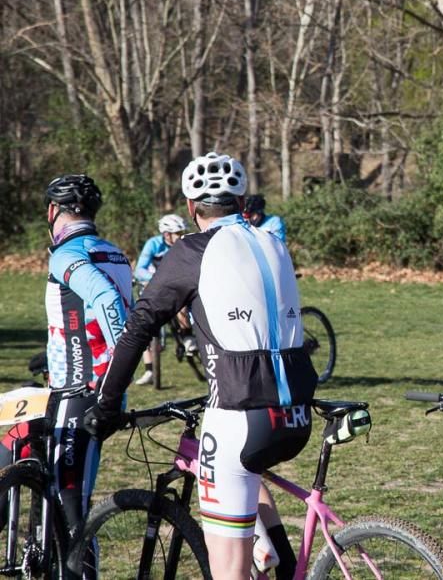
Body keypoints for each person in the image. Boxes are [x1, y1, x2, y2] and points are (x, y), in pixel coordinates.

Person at [85, 152, 317, 580]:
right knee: (247, 472)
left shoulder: (192, 251)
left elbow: (139, 328)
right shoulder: (274, 243)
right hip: (297, 413)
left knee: (227, 568)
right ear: (243, 199)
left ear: (192, 209)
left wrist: (107, 402)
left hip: (238, 413)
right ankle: (282, 564)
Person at [4, 174, 133, 577]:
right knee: (27, 457)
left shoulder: (65, 254)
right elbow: (87, 313)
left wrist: (118, 367)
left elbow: (109, 302)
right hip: (75, 391)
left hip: (81, 394)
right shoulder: (114, 254)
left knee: (71, 503)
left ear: (51, 212)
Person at [132, 213, 191, 385]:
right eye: (177, 233)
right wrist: (156, 279)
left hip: (175, 286)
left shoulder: (183, 245)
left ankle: (188, 337)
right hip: (154, 284)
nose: (181, 236)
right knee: (143, 323)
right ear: (166, 234)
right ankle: (150, 369)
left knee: (182, 303)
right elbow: (139, 269)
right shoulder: (153, 244)